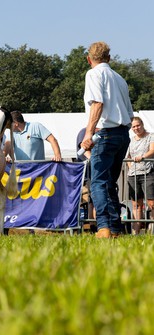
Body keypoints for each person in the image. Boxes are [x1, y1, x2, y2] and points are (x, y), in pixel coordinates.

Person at [81, 41, 134, 239]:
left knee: (98, 182)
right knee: (110, 183)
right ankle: (115, 228)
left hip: (105, 133)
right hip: (122, 134)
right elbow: (129, 113)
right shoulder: (120, 79)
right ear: (109, 58)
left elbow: (97, 104)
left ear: (89, 59)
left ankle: (103, 227)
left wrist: (88, 133)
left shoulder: (93, 74)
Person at [126, 116, 154, 234]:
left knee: (152, 203)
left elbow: (152, 150)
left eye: (138, 125)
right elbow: (127, 157)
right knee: (136, 205)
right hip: (133, 175)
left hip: (148, 172)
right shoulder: (131, 140)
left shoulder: (150, 136)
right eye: (133, 126)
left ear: (142, 125)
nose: (136, 128)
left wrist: (142, 157)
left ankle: (151, 232)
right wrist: (131, 167)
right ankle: (135, 234)